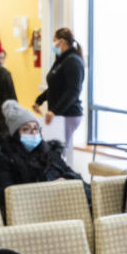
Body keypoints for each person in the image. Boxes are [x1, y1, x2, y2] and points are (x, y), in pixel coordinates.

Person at [0, 100, 87, 212]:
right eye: (26, 129)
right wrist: (47, 188)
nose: (33, 133)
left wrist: (65, 179)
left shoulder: (50, 151)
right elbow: (5, 195)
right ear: (15, 134)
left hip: (60, 205)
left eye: (35, 128)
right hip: (28, 211)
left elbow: (73, 175)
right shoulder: (2, 158)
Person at [33, 28, 85, 165]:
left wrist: (54, 110)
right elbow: (55, 87)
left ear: (61, 42)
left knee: (56, 154)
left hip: (67, 114)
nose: (53, 44)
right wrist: (40, 100)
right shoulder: (61, 60)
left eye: (54, 41)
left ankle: (60, 182)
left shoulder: (73, 61)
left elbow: (73, 91)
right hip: (59, 114)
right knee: (52, 152)